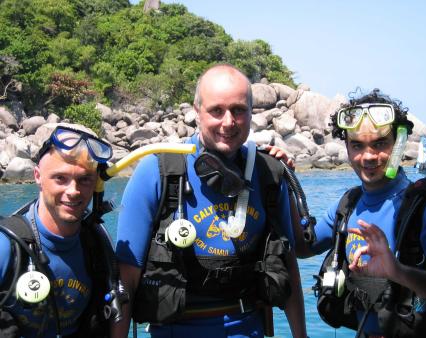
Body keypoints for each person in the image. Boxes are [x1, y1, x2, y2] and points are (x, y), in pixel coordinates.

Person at [112, 64, 307, 338]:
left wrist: (301, 335)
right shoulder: (157, 172)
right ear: (196, 111)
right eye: (216, 110)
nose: (228, 122)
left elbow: (288, 263)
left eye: (239, 110)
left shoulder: (269, 174)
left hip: (248, 327)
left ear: (252, 113)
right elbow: (126, 278)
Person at [295, 88, 426, 338]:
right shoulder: (347, 206)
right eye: (357, 145)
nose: (368, 156)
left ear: (399, 143)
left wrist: (398, 272)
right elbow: (302, 248)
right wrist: (279, 178)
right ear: (346, 146)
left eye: (379, 144)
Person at [0, 123, 117, 337]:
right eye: (60, 178)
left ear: (96, 184)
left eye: (84, 180)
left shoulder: (97, 246)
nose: (73, 191)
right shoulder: (7, 245)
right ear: (37, 177)